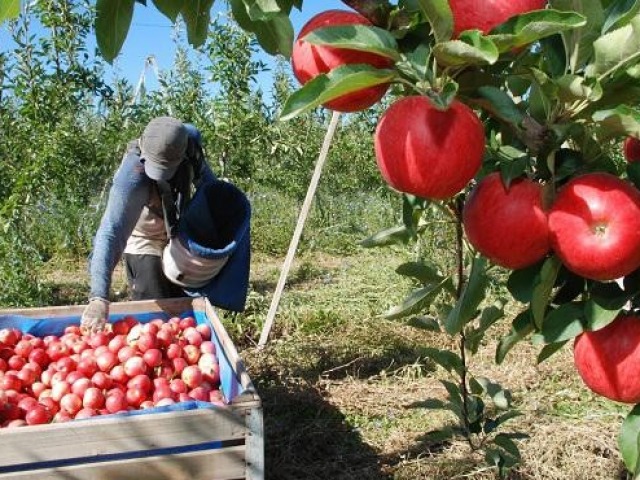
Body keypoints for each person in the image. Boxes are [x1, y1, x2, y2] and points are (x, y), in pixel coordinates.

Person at [81, 116, 251, 333]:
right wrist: (99, 297)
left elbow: (210, 189)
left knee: (183, 314)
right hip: (145, 238)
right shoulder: (132, 176)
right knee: (155, 320)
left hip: (177, 233)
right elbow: (111, 231)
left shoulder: (190, 147)